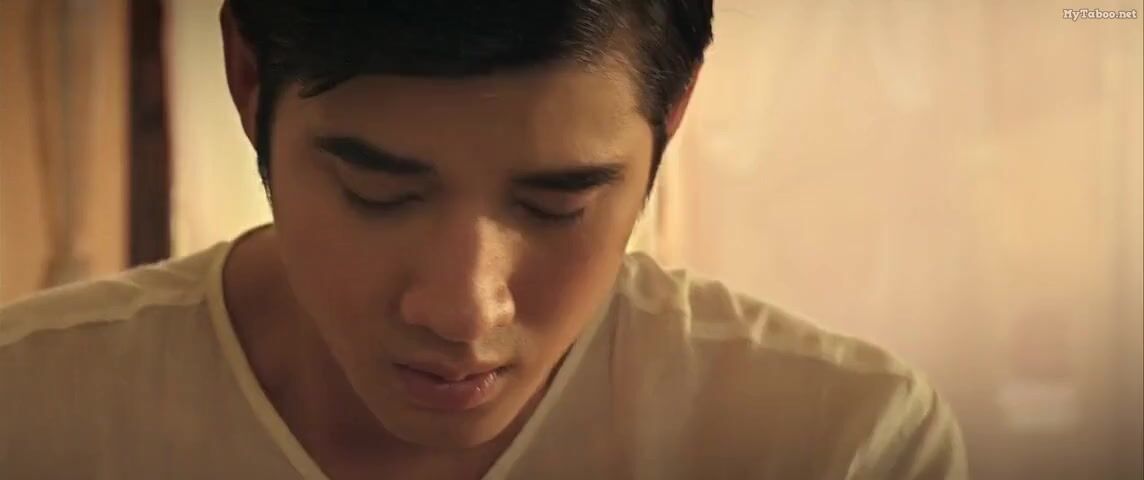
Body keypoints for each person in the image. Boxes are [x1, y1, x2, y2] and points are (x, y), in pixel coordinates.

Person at [0, 1, 967, 478]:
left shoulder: (835, 447)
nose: (463, 311)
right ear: (249, 83)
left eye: (555, 205)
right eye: (378, 193)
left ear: (671, 115)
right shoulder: (32, 415)